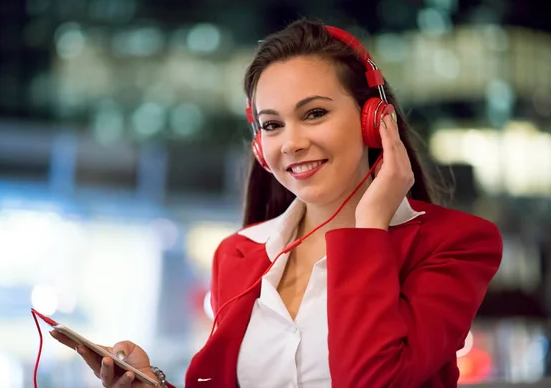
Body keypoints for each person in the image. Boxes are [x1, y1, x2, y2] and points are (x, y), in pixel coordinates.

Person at [52, 19, 503, 388]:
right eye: (272, 125)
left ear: (374, 120)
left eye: (314, 114)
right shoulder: (240, 253)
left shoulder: (456, 243)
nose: (292, 143)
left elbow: (373, 380)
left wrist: (369, 228)